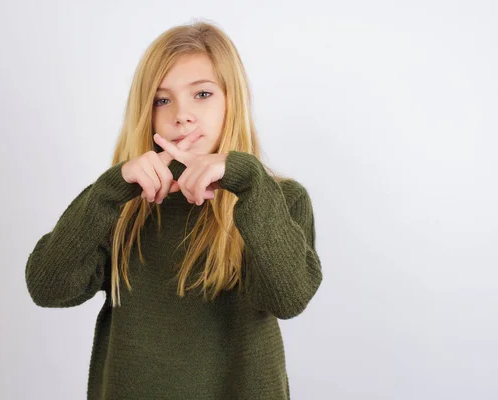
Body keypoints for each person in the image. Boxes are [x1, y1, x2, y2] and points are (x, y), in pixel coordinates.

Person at [25, 20, 323, 400]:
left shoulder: (276, 198)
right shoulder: (122, 206)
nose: (182, 114)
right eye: (162, 100)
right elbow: (48, 287)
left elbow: (289, 297)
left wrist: (246, 180)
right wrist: (109, 191)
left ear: (233, 100)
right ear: (145, 113)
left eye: (202, 94)